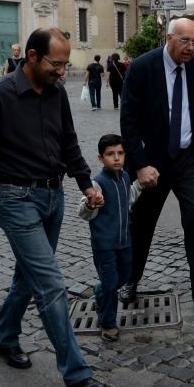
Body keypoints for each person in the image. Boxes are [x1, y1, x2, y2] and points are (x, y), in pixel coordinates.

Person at [0, 27, 108, 387]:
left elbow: (68, 140)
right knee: (50, 284)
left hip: (54, 197)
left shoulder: (56, 94)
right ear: (32, 57)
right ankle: (77, 375)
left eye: (66, 64)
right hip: (14, 197)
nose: (61, 71)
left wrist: (85, 183)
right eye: (56, 63)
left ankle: (5, 336)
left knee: (28, 275)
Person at [118, 18, 194, 313]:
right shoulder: (143, 67)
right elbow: (128, 122)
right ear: (169, 38)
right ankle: (130, 279)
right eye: (185, 41)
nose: (191, 48)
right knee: (141, 223)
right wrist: (139, 165)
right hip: (152, 161)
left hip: (187, 159)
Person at [77, 134, 141, 343]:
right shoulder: (97, 184)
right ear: (100, 158)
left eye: (120, 153)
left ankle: (100, 289)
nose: (116, 158)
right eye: (110, 154)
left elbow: (129, 198)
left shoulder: (124, 178)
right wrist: (90, 203)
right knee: (111, 282)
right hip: (104, 245)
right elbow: (84, 212)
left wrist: (140, 184)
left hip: (125, 241)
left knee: (124, 275)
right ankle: (108, 323)